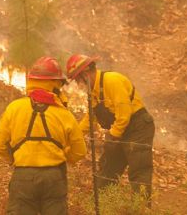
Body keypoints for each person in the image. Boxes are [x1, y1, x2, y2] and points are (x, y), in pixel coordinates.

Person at [0, 57, 87, 215]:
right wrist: (64, 156)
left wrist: (13, 160)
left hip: (23, 176)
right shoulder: (64, 114)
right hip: (54, 177)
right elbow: (79, 151)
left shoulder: (14, 108)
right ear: (55, 84)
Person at [66, 54, 155, 204]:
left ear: (85, 73)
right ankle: (102, 206)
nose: (77, 83)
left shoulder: (112, 80)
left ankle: (140, 209)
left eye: (77, 79)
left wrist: (112, 136)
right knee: (108, 170)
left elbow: (124, 114)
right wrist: (74, 136)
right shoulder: (93, 91)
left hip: (138, 127)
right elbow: (90, 117)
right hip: (120, 129)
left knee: (139, 171)